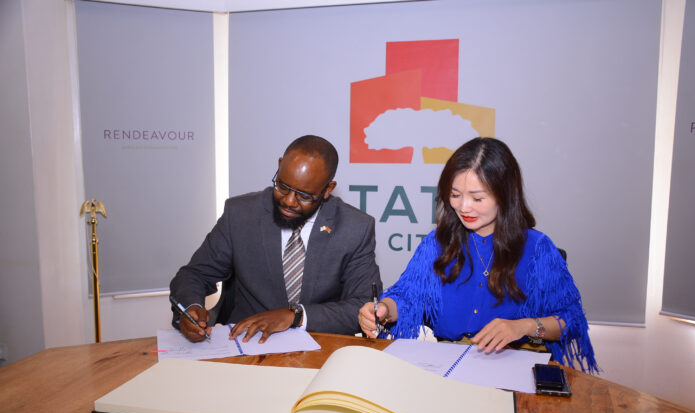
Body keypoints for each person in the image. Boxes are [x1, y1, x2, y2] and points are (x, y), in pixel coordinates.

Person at [358, 137, 598, 373]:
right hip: (447, 366)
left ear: (505, 196)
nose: (464, 207)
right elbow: (407, 297)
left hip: (514, 368)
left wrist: (523, 327)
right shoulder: (437, 243)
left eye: (477, 198)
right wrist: (384, 310)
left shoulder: (537, 249)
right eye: (455, 195)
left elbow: (571, 320)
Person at [171, 135, 382, 343]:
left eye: (304, 196)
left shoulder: (355, 228)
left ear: (327, 189)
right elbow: (194, 275)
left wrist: (296, 316)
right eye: (282, 186)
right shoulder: (240, 214)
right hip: (245, 346)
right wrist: (190, 308)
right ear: (280, 166)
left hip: (320, 349)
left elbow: (364, 305)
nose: (289, 201)